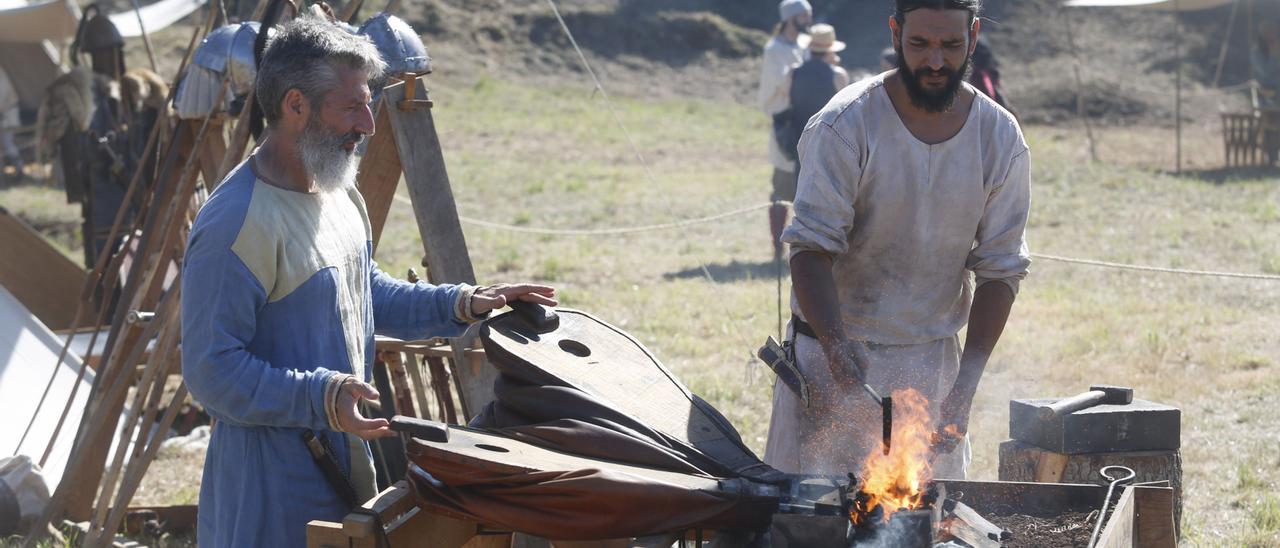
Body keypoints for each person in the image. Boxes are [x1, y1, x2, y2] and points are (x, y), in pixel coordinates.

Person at [181, 16, 557, 546]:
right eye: (352, 106)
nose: (369, 125)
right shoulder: (234, 226)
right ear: (295, 106)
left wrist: (466, 303)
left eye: (368, 103)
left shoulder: (337, 195)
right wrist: (321, 395)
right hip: (268, 488)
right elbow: (210, 371)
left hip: (344, 465)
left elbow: (362, 295)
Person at [764, 0, 1030, 480]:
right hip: (832, 363)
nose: (934, 61)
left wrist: (963, 390)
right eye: (919, 44)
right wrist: (838, 352)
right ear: (894, 33)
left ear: (972, 36)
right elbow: (809, 251)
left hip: (931, 367)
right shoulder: (844, 125)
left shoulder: (999, 137)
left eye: (950, 45)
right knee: (811, 523)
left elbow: (1001, 270)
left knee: (929, 524)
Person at [758, 0, 812, 258]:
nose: (807, 20)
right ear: (791, 18)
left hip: (805, 121)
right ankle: (777, 247)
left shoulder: (803, 45)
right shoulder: (774, 49)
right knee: (782, 186)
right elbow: (781, 83)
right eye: (803, 15)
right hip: (785, 123)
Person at [777, 24, 850, 163]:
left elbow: (786, 96)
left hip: (800, 142)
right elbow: (846, 109)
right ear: (830, 50)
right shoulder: (838, 75)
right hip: (830, 144)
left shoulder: (793, 72)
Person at [968, 41, 1018, 120]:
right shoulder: (971, 44)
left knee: (1002, 104)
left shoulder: (979, 46)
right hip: (977, 75)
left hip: (985, 74)